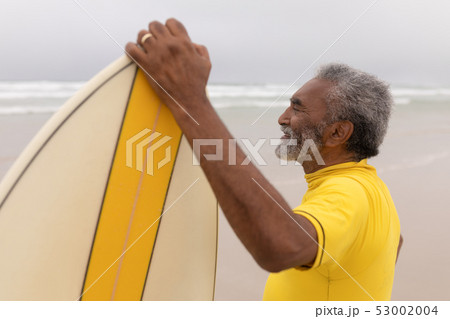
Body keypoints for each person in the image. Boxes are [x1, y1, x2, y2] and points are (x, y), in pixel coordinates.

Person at [125, 18, 402, 301]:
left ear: (337, 132)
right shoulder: (372, 188)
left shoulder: (348, 192)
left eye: (297, 108)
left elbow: (285, 247)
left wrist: (190, 102)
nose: (282, 118)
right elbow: (393, 244)